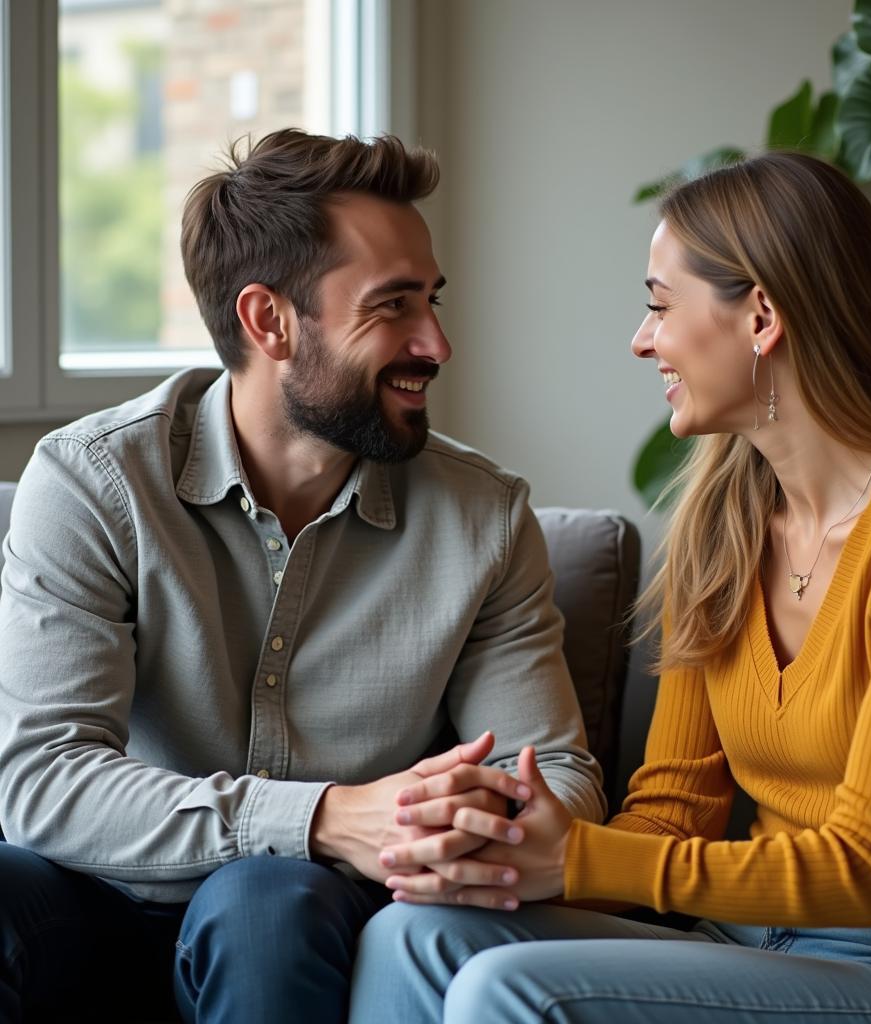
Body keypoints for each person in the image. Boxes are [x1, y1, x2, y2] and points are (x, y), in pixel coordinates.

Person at [348, 151, 871, 1024]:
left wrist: (579, 862)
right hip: (746, 943)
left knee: (503, 987)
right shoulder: (725, 522)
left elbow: (863, 870)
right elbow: (675, 815)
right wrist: (511, 843)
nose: (642, 338)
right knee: (410, 935)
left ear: (763, 317)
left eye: (660, 305)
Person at [0, 128, 605, 1024]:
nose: (436, 342)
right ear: (267, 320)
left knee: (265, 902)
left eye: (432, 301)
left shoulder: (484, 515)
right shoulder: (94, 482)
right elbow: (41, 779)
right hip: (97, 895)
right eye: (392, 306)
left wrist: (450, 818)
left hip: (309, 920)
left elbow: (559, 774)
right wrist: (327, 815)